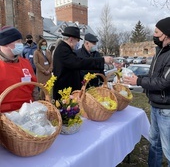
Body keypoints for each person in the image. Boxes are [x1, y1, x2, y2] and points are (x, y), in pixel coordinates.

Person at [123, 17, 170, 167]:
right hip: (155, 105)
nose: (154, 35)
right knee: (154, 143)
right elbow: (152, 77)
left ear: (167, 35)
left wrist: (138, 82)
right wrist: (137, 78)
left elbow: (164, 82)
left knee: (168, 150)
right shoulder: (160, 51)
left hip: (166, 110)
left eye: (157, 32)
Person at [53, 26, 114, 100]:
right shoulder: (63, 50)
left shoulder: (65, 49)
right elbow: (79, 63)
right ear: (71, 39)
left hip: (69, 91)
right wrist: (102, 60)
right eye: (77, 40)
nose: (77, 43)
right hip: (64, 93)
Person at [0, 26, 38, 112]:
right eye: (18, 41)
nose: (21, 44)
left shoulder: (25, 63)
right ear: (6, 43)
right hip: (5, 115)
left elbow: (34, 88)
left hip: (27, 112)